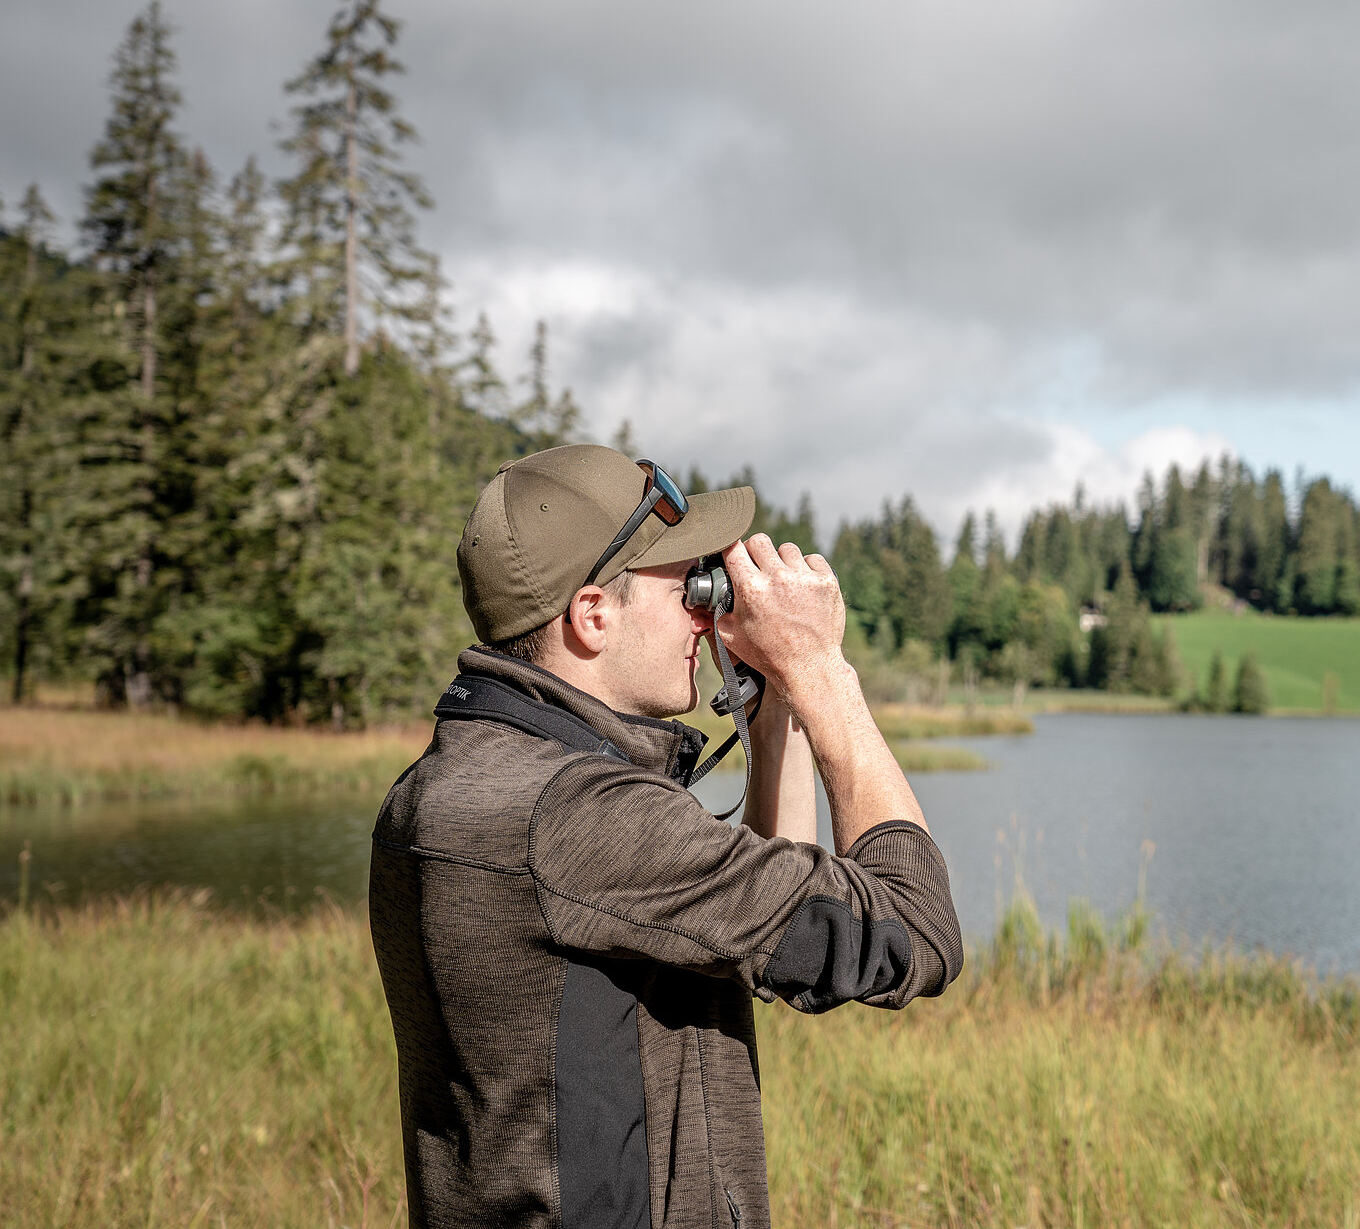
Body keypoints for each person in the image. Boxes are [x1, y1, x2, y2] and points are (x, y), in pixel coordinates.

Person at [370, 444, 962, 1229]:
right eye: (683, 583)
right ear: (592, 614)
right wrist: (823, 671)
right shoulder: (582, 815)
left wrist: (773, 703)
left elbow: (766, 941)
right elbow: (912, 931)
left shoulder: (442, 785)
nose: (705, 605)